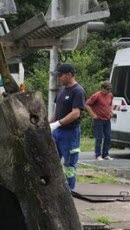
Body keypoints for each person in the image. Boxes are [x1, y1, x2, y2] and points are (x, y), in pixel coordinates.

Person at [49, 63, 86, 191]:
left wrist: (59, 123)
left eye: (61, 75)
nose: (59, 78)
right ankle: (55, 187)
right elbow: (56, 110)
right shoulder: (61, 90)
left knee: (69, 163)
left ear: (69, 75)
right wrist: (50, 124)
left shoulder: (78, 91)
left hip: (70, 133)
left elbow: (76, 113)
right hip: (57, 132)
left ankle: (70, 189)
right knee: (52, 160)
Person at [85, 81, 114, 161]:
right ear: (102, 88)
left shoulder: (110, 95)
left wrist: (111, 112)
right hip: (98, 120)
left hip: (107, 119)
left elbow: (110, 104)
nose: (108, 91)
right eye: (107, 89)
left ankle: (106, 154)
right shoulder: (97, 95)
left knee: (108, 137)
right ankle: (98, 155)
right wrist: (92, 114)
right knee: (99, 137)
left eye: (110, 89)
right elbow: (87, 104)